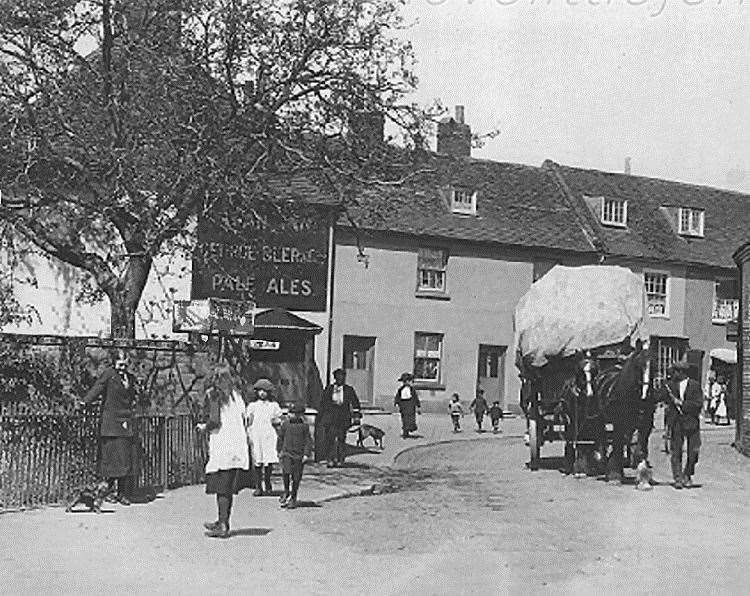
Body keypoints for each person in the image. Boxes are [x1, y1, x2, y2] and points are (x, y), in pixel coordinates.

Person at [197, 365, 249, 539]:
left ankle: (223, 524)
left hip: (222, 444)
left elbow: (214, 420)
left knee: (221, 486)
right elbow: (245, 417)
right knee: (227, 487)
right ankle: (223, 520)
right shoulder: (237, 396)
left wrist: (204, 427)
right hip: (237, 445)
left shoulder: (214, 394)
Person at [80, 350, 138, 506]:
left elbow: (133, 397)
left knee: (125, 459)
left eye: (125, 365)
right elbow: (98, 388)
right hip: (111, 423)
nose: (122, 368)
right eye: (120, 365)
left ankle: (122, 494)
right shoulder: (108, 374)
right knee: (112, 459)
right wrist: (85, 402)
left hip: (125, 422)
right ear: (114, 363)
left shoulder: (130, 378)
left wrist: (132, 389)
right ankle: (107, 492)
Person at [664, 360, 703, 489]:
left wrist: (682, 404)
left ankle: (687, 474)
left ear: (681, 373)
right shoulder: (670, 386)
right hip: (676, 423)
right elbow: (659, 397)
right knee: (676, 451)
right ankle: (678, 478)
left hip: (691, 423)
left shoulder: (695, 386)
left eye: (675, 371)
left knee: (693, 452)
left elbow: (698, 404)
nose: (673, 374)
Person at [246, 378, 283, 496]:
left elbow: (278, 419)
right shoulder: (253, 406)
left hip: (268, 434)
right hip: (256, 434)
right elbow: (248, 421)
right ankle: (258, 486)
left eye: (265, 391)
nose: (262, 393)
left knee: (268, 460)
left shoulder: (273, 406)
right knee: (257, 460)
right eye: (260, 391)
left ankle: (268, 483)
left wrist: (277, 422)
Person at [319, 368, 361, 467]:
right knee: (330, 439)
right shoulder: (329, 389)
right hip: (331, 417)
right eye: (338, 377)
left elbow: (355, 403)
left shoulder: (349, 390)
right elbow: (323, 403)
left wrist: (356, 416)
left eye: (342, 377)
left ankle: (340, 459)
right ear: (335, 378)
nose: (341, 379)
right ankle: (330, 459)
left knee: (341, 439)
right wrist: (322, 417)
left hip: (343, 417)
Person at [276, 402, 313, 509]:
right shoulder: (285, 425)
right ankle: (286, 491)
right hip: (287, 453)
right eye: (290, 412)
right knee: (286, 473)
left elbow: (308, 441)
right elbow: (280, 438)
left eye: (293, 413)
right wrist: (279, 451)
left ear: (299, 415)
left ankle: (293, 497)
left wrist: (306, 454)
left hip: (298, 455)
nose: (290, 415)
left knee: (296, 478)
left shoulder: (304, 426)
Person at [394, 372, 421, 438]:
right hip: (403, 405)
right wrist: (396, 402)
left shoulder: (412, 390)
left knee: (411, 418)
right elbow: (398, 396)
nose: (410, 382)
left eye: (410, 381)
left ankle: (410, 428)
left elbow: (415, 397)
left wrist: (418, 405)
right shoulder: (401, 389)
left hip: (410, 405)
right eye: (407, 381)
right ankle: (405, 432)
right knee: (404, 419)